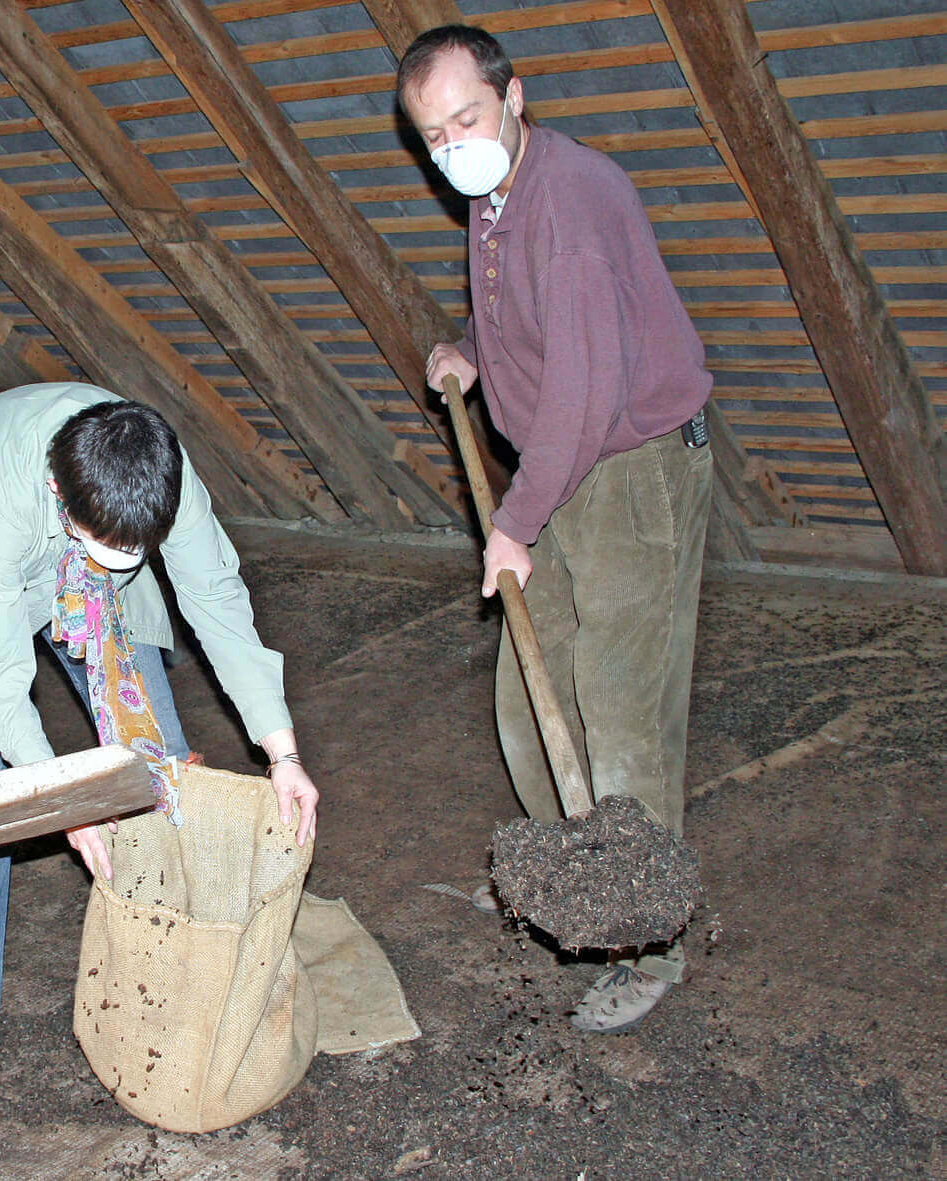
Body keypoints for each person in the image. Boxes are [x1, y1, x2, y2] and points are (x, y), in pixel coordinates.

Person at [398, 26, 713, 1033]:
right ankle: (568, 883)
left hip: (628, 473)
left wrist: (514, 521)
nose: (454, 145)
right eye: (432, 135)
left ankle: (647, 941)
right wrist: (470, 351)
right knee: (527, 700)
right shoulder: (494, 196)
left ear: (513, 97)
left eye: (467, 118)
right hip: (559, 466)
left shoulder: (570, 205)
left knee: (618, 712)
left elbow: (586, 385)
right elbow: (522, 317)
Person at [0, 382, 320, 1069]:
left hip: (90, 581)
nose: (117, 551)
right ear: (64, 497)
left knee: (159, 764)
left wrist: (284, 752)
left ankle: (178, 947)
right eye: (105, 541)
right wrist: (63, 801)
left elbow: (216, 599)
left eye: (134, 544)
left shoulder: (158, 475)